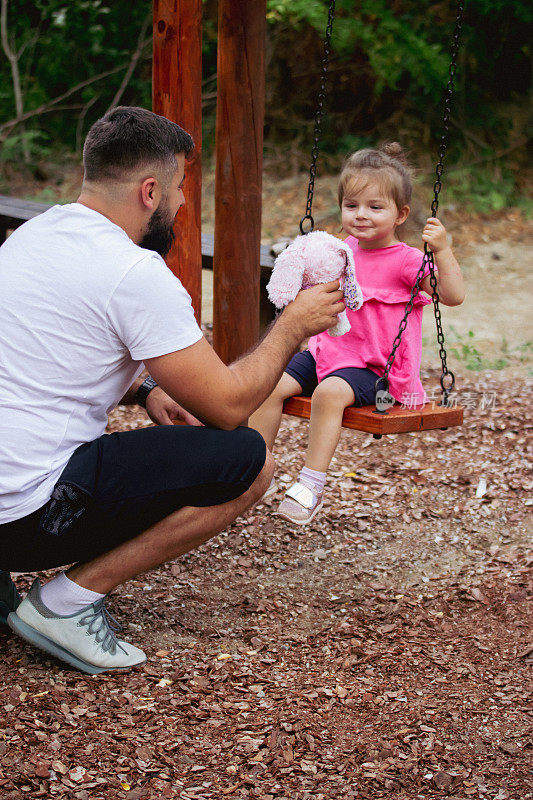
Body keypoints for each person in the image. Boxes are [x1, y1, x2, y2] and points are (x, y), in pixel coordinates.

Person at [0, 106, 345, 674]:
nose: (183, 203)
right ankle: (64, 604)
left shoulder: (33, 234)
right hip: (24, 514)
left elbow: (44, 348)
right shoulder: (134, 273)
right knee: (247, 460)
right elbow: (231, 406)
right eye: (181, 189)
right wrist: (291, 327)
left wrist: (143, 390)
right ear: (150, 190)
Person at [249, 143, 465, 525]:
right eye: (352, 206)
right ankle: (252, 469)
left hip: (372, 367)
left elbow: (452, 296)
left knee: (330, 393)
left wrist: (443, 250)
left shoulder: (407, 260)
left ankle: (310, 484)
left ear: (401, 214)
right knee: (266, 383)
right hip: (325, 353)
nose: (361, 216)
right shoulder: (342, 250)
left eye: (374, 207)